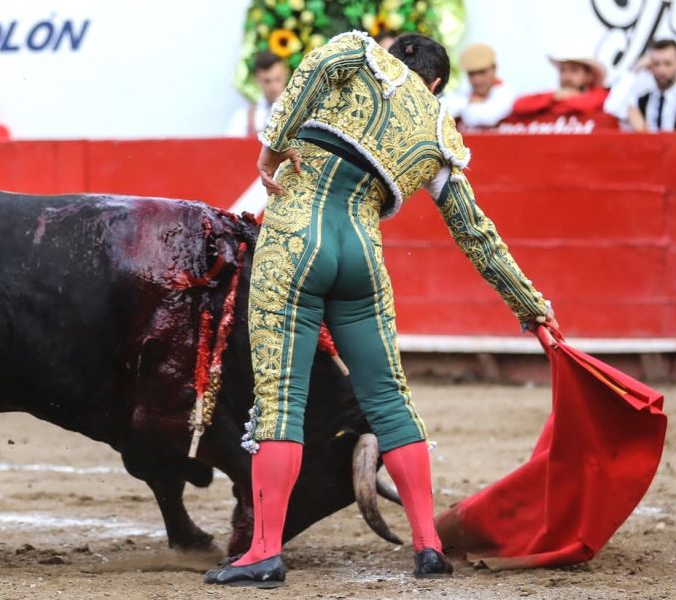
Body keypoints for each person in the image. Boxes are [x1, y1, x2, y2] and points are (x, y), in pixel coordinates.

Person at [203, 33, 556, 588]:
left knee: (280, 400)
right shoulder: (439, 131)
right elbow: (475, 234)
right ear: (435, 85)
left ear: (392, 55)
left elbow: (317, 63)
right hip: (362, 258)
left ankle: (265, 551)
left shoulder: (357, 58)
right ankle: (428, 545)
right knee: (390, 399)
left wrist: (270, 149)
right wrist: (531, 306)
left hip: (297, 239)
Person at [509, 46, 612, 125]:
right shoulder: (553, 97)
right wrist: (553, 98)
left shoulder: (601, 95)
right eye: (563, 70)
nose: (566, 76)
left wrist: (553, 102)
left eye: (574, 70)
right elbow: (518, 105)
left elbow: (585, 105)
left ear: (589, 76)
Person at [628, 39, 676, 133]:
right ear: (650, 67)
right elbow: (612, 106)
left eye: (668, 64)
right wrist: (636, 69)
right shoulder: (641, 101)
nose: (662, 70)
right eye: (656, 64)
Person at [444, 43, 516, 130]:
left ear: (494, 68)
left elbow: (487, 117)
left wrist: (463, 107)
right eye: (472, 74)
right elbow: (444, 108)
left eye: (482, 72)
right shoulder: (465, 90)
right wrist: (468, 102)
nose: (477, 80)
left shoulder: (505, 91)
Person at [227, 51, 290, 138]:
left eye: (277, 79)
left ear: (286, 74)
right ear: (256, 79)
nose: (273, 87)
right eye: (267, 81)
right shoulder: (242, 117)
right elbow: (230, 147)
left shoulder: (300, 115)